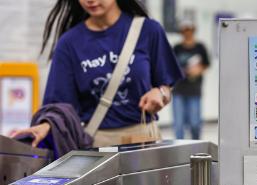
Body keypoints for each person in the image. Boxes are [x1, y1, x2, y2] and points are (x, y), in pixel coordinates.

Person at [12, 0, 183, 149]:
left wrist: (160, 92)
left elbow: (166, 86)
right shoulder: (69, 43)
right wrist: (46, 125)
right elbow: (59, 107)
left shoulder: (148, 30)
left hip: (144, 140)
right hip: (97, 146)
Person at [172, 20, 210, 140]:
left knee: (195, 123)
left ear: (193, 30)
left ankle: (196, 148)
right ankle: (179, 151)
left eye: (189, 30)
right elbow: (170, 65)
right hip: (179, 90)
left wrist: (198, 70)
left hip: (194, 90)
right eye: (184, 30)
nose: (187, 32)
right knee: (178, 125)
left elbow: (206, 64)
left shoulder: (200, 47)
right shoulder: (177, 48)